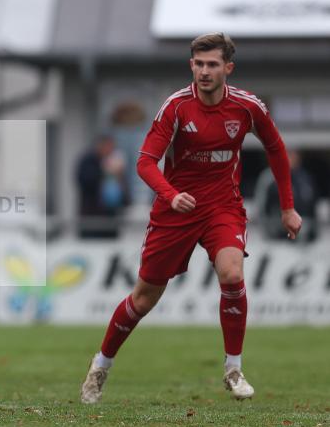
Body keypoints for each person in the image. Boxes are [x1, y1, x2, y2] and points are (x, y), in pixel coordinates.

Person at [79, 33, 302, 404]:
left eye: (212, 64)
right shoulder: (176, 107)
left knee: (232, 274)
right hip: (175, 211)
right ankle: (101, 364)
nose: (204, 71)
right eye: (198, 64)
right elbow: (145, 162)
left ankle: (233, 368)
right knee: (144, 299)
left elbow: (276, 148)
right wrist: (170, 194)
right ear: (191, 66)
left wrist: (288, 207)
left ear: (227, 68)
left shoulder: (247, 107)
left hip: (222, 207)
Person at [253, 149, 317, 241]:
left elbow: (312, 208)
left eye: (294, 154)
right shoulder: (268, 178)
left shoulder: (305, 178)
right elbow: (260, 210)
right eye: (288, 154)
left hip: (303, 238)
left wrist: (310, 229)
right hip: (276, 238)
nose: (291, 158)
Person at [75, 135, 129, 238]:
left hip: (110, 219)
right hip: (91, 218)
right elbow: (85, 181)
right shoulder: (88, 161)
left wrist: (119, 176)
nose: (110, 150)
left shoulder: (114, 164)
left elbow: (123, 194)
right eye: (108, 147)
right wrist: (104, 171)